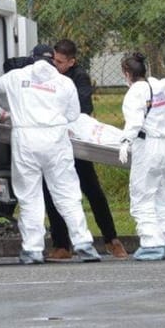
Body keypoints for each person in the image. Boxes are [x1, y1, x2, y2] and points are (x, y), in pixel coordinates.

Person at [0, 44, 102, 264]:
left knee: (30, 195)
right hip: (56, 140)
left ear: (32, 58)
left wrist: (11, 105)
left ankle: (32, 249)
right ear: (52, 59)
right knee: (67, 192)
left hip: (26, 139)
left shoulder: (16, 77)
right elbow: (73, 114)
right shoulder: (64, 82)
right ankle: (84, 243)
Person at [41, 39, 128, 261]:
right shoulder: (47, 75)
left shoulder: (79, 77)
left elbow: (83, 107)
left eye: (60, 62)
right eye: (54, 60)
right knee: (52, 193)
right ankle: (62, 245)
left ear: (71, 62)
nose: (55, 65)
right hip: (53, 142)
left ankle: (111, 239)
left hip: (75, 142)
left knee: (92, 190)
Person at [117, 52, 165, 261]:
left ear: (127, 73)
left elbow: (134, 121)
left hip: (148, 145)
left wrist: (126, 141)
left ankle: (152, 243)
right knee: (162, 194)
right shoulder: (162, 89)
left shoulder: (135, 93)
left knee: (142, 196)